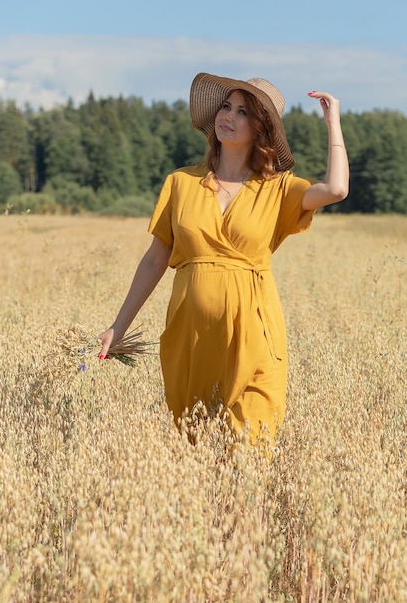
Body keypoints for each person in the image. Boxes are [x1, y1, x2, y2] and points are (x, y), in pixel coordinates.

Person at [98, 72, 349, 444]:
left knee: (251, 450)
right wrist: (117, 327)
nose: (228, 116)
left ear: (261, 129)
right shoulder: (180, 183)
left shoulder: (277, 189)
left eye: (243, 112)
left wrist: (333, 123)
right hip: (191, 338)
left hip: (254, 334)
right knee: (197, 452)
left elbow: (336, 189)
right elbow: (154, 261)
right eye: (226, 107)